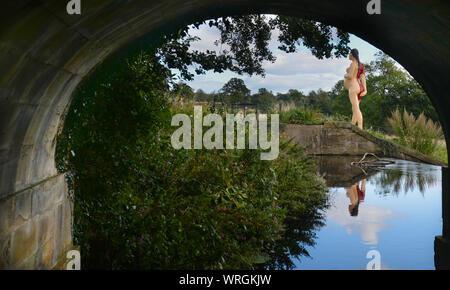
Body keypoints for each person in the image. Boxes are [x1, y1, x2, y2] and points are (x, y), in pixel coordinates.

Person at [344, 48, 366, 129]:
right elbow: (363, 78)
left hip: (353, 88)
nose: (349, 55)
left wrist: (345, 75)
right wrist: (365, 89)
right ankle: (353, 125)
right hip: (358, 87)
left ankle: (360, 127)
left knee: (356, 108)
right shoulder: (361, 65)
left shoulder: (353, 63)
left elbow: (349, 76)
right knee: (354, 108)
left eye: (349, 53)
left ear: (352, 54)